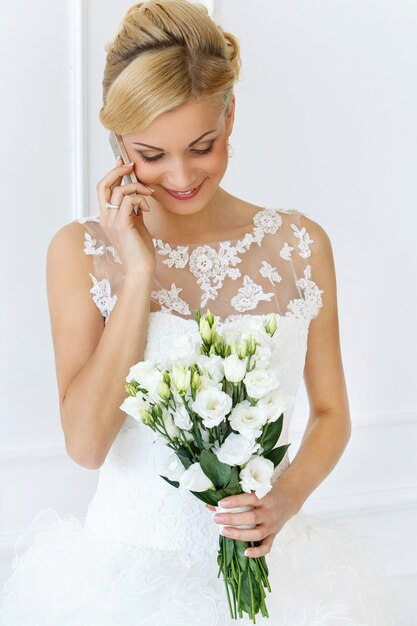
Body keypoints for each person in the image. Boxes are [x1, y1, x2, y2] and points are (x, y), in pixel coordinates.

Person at [0, 1, 412, 624]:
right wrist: (137, 273)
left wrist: (286, 500)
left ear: (230, 116)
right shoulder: (81, 253)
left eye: (203, 146)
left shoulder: (299, 245)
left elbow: (331, 412)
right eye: (151, 154)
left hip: (274, 577)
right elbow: (86, 445)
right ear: (117, 146)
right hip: (122, 584)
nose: (182, 175)